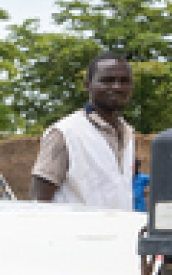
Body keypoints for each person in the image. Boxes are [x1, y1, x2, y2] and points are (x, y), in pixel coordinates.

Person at [31, 52, 137, 208]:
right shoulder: (65, 132)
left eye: (124, 81)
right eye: (107, 81)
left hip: (119, 230)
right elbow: (39, 202)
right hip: (76, 231)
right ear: (87, 85)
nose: (117, 87)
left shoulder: (127, 133)